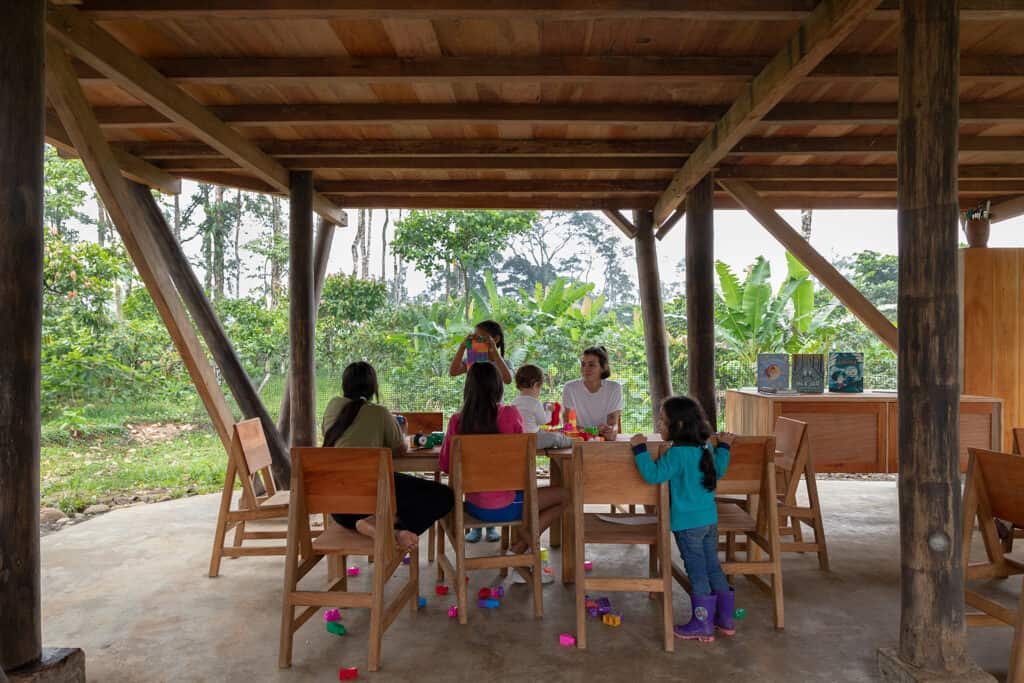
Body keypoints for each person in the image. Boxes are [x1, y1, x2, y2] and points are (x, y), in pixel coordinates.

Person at [630, 396, 736, 643]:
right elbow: (719, 470)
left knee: (696, 572)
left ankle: (702, 625)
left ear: (677, 426)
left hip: (687, 526)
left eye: (662, 421)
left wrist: (639, 450)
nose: (659, 425)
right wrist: (724, 447)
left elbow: (653, 475)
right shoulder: (705, 447)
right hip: (709, 520)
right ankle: (725, 620)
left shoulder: (677, 454)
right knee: (712, 566)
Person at [322, 361, 454, 553]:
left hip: (338, 505)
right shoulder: (379, 413)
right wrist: (401, 430)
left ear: (345, 385)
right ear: (373, 387)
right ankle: (394, 527)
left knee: (389, 493)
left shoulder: (332, 406)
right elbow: (400, 450)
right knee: (444, 496)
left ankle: (378, 526)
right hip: (372, 496)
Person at [439, 362, 568, 555]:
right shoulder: (510, 414)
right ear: (498, 387)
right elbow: (523, 461)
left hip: (473, 506)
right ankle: (523, 544)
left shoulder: (457, 420)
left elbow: (445, 465)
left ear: (468, 389)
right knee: (568, 496)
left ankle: (521, 544)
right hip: (510, 505)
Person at [561, 346, 623, 440]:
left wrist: (612, 431)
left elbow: (613, 424)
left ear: (603, 367)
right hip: (577, 441)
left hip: (603, 442)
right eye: (583, 364)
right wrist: (594, 431)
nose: (585, 369)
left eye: (591, 365)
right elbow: (567, 426)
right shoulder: (570, 388)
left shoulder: (614, 388)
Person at [510, 364, 572, 450]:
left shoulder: (514, 402)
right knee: (556, 437)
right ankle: (572, 442)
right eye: (540, 388)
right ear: (535, 385)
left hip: (519, 439)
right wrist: (549, 410)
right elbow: (543, 421)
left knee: (546, 433)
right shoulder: (535, 403)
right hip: (533, 439)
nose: (539, 391)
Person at [448, 319, 513, 385]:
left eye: (480, 338)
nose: (476, 341)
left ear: (496, 339)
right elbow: (453, 372)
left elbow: (508, 380)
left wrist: (494, 349)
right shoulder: (472, 361)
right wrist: (462, 346)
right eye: (475, 338)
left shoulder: (505, 364)